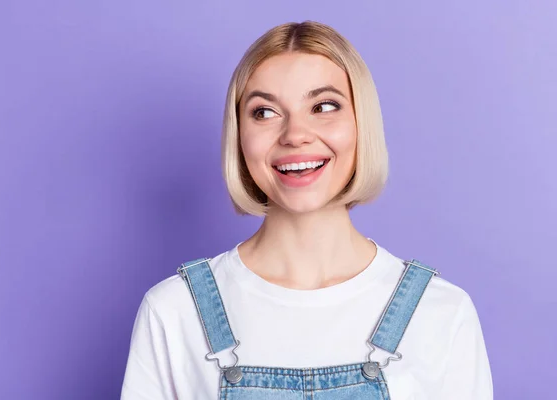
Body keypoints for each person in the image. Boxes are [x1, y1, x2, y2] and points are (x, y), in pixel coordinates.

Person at [120, 20, 493, 400]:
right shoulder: (174, 312)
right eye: (264, 112)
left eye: (323, 106)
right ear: (239, 136)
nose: (295, 134)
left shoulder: (441, 312)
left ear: (361, 124)